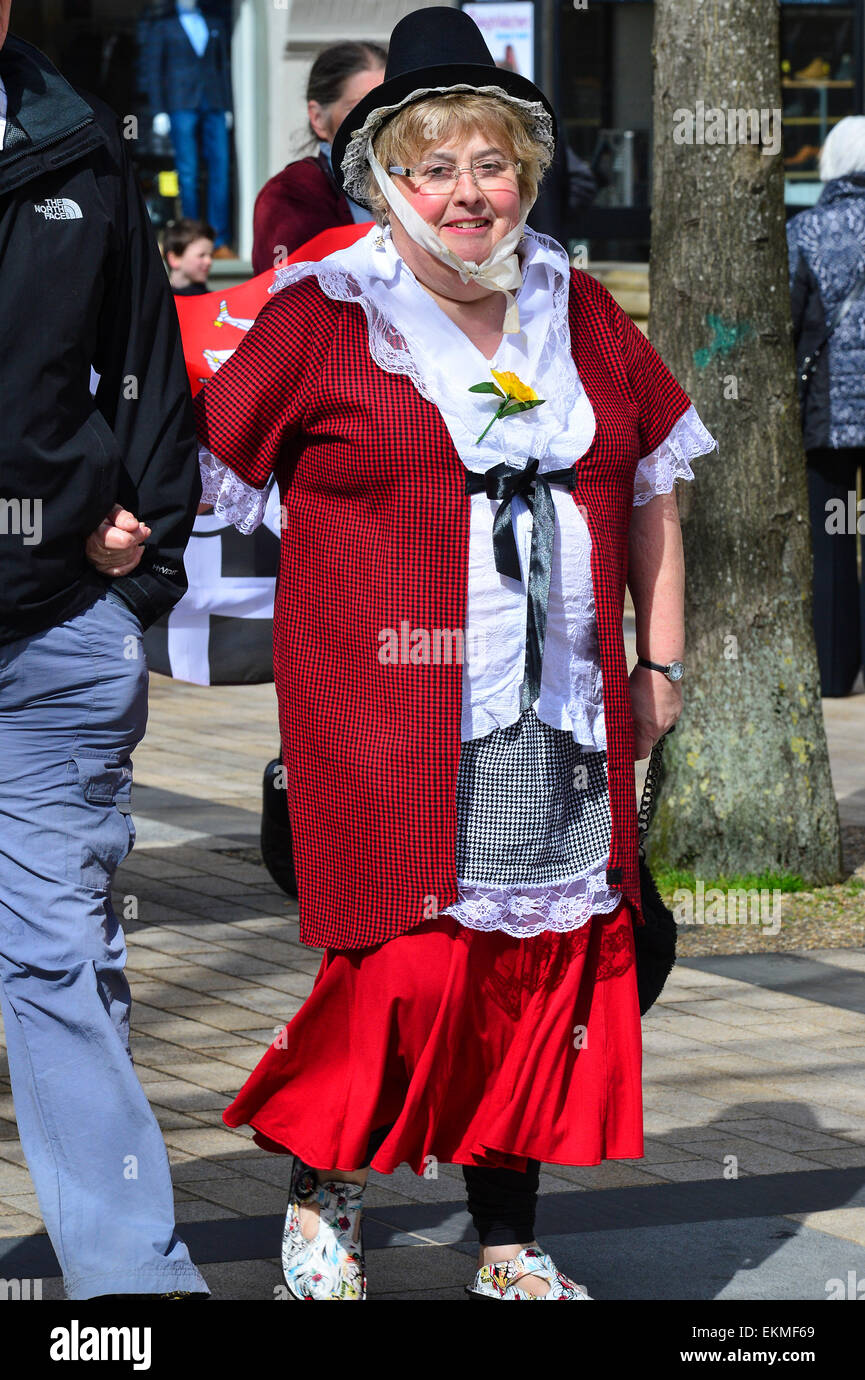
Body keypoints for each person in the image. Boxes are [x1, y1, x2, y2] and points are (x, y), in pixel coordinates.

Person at [193, 6, 716, 1301]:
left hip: (567, 707)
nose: (466, 193)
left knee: (550, 963)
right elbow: (209, 463)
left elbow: (654, 481)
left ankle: (505, 1239)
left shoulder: (576, 308)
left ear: (524, 177)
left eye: (491, 165)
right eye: (434, 166)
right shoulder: (322, 311)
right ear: (382, 178)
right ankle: (322, 1183)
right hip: (385, 701)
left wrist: (661, 665)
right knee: (412, 958)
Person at [0, 7, 207, 1299]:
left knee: (61, 963)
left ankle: (133, 1289)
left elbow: (147, 363)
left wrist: (148, 546)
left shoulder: (78, 152)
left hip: (49, 632)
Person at [787, 115, 865, 698]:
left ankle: (835, 673)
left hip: (828, 410)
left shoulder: (807, 230)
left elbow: (789, 319)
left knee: (832, 541)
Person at [250, 41, 385, 274]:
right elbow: (282, 295)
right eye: (359, 108)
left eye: (388, 105)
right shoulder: (291, 194)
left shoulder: (415, 181)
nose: (376, 120)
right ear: (318, 118)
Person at [143, 0, 235, 256]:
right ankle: (192, 238)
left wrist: (227, 105)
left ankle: (219, 240)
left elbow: (223, 67)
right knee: (188, 172)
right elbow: (154, 71)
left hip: (214, 102)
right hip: (180, 104)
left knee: (220, 169)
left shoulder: (215, 23)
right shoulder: (163, 27)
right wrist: (159, 110)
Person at [163, 215, 214, 293]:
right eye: (201, 255)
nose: (209, 261)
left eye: (211, 255)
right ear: (174, 259)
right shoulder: (160, 302)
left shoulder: (215, 301)